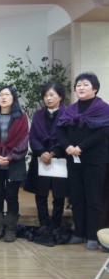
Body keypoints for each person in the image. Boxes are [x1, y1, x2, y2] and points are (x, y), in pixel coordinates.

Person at [56, 72, 109, 250]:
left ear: (95, 89)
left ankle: (93, 235)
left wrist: (81, 147)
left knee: (94, 199)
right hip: (73, 159)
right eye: (78, 85)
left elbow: (103, 132)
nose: (81, 87)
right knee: (76, 197)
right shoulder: (70, 109)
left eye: (86, 84)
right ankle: (79, 232)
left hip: (95, 160)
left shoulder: (103, 108)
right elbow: (60, 130)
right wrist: (67, 146)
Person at [23, 82, 69, 246]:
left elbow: (67, 137)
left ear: (60, 96)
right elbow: (33, 136)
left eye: (52, 95)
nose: (48, 98)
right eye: (46, 96)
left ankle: (56, 224)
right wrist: (42, 152)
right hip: (40, 158)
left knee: (59, 194)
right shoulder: (38, 115)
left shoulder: (67, 113)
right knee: (40, 193)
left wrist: (53, 152)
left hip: (60, 158)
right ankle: (44, 223)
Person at [0, 85, 29, 242]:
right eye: (0, 95)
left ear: (13, 98)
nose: (3, 97)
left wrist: (11, 156)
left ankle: (11, 229)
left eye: (7, 94)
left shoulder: (21, 117)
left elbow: (24, 139)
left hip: (14, 163)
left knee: (11, 196)